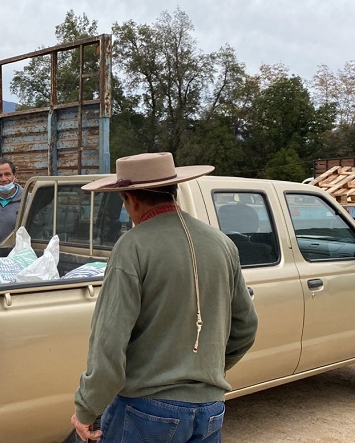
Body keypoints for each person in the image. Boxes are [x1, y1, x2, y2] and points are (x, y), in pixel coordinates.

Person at [71, 152, 258, 442]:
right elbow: (246, 328)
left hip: (145, 409)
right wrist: (204, 372)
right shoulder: (222, 244)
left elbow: (109, 343)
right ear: (174, 190)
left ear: (131, 199)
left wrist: (86, 409)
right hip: (210, 408)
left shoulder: (132, 247)